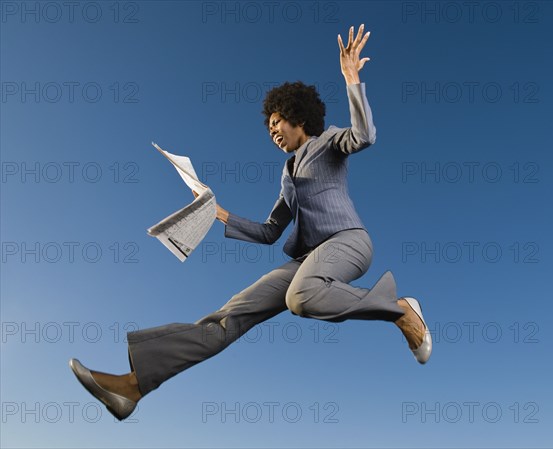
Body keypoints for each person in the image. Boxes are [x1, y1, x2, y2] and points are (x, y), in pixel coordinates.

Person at [69, 24, 432, 421]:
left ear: (298, 116)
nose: (272, 130)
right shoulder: (287, 173)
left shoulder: (329, 142)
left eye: (277, 121)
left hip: (347, 241)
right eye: (268, 126)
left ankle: (398, 309)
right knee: (229, 317)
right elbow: (270, 231)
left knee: (302, 297)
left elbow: (364, 135)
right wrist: (216, 211)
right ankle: (133, 387)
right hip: (306, 259)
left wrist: (351, 79)